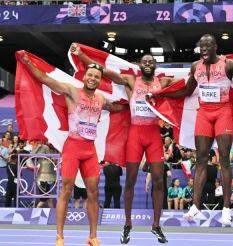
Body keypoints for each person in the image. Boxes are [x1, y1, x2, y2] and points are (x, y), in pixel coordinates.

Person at [153, 34, 233, 225]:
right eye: (201, 47)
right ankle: (196, 207)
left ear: (215, 46)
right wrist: (162, 95)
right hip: (204, 113)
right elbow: (186, 91)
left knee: (224, 158)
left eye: (207, 46)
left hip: (223, 111)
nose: (204, 49)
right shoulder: (195, 67)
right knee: (201, 159)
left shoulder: (228, 64)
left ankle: (226, 208)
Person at [70, 44, 177, 244]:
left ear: (155, 66)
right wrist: (82, 55)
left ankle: (156, 225)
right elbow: (104, 72)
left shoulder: (161, 81)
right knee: (130, 180)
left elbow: (187, 83)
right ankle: (127, 224)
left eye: (151, 62)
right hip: (135, 134)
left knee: (159, 180)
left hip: (154, 134)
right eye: (144, 61)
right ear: (139, 65)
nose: (147, 64)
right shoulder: (131, 80)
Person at [19, 50, 127, 246]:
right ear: (84, 76)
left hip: (89, 151)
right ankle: (60, 236)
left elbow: (116, 108)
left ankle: (92, 236)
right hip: (72, 148)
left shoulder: (101, 99)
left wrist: (134, 104)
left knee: (93, 193)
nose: (93, 78)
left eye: (96, 76)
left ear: (99, 80)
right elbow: (44, 78)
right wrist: (27, 62)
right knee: (66, 191)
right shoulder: (71, 91)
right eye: (90, 75)